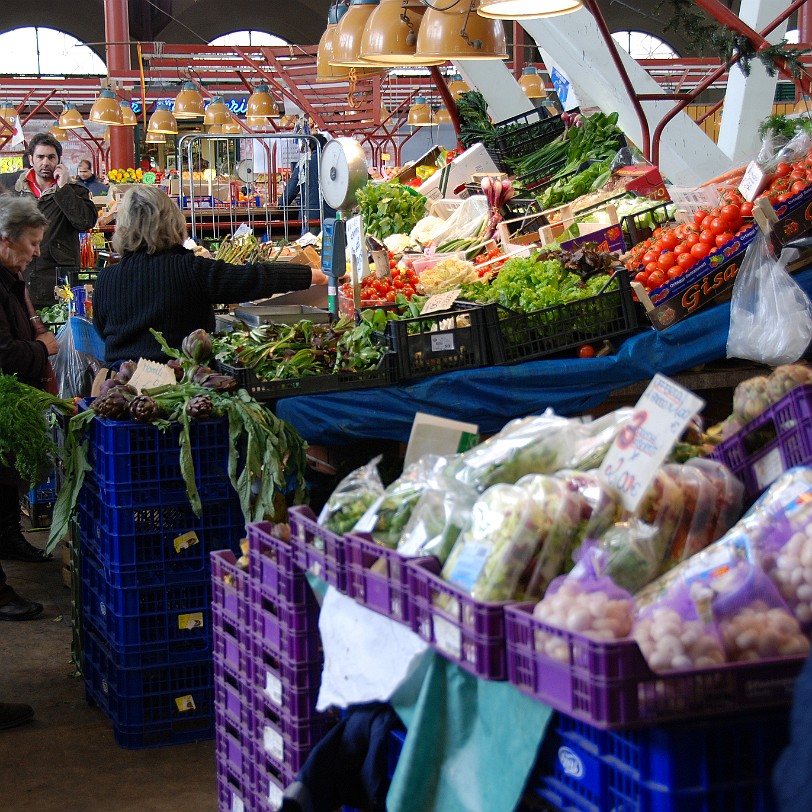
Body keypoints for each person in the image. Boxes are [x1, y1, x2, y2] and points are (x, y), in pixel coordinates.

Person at [93, 185, 327, 364]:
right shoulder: (190, 270)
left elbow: (103, 331)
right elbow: (255, 277)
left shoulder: (106, 280)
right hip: (183, 383)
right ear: (173, 221)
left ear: (122, 227)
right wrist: (315, 276)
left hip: (122, 387)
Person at [0, 194, 58, 618]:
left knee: (5, 477)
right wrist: (41, 347)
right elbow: (4, 355)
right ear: (6, 241)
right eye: (33, 243)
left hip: (8, 405)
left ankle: (9, 538)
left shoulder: (9, 281)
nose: (37, 252)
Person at [0, 133, 99, 309]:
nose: (45, 162)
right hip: (21, 276)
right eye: (40, 157)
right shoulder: (13, 191)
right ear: (31, 159)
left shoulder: (75, 191)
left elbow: (85, 222)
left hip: (59, 281)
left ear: (59, 161)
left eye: (51, 157)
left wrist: (63, 190)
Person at [278, 133, 336, 236]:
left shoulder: (305, 163)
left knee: (310, 248)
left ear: (310, 147)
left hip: (311, 215)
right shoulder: (334, 162)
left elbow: (292, 188)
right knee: (331, 247)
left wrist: (282, 203)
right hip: (332, 215)